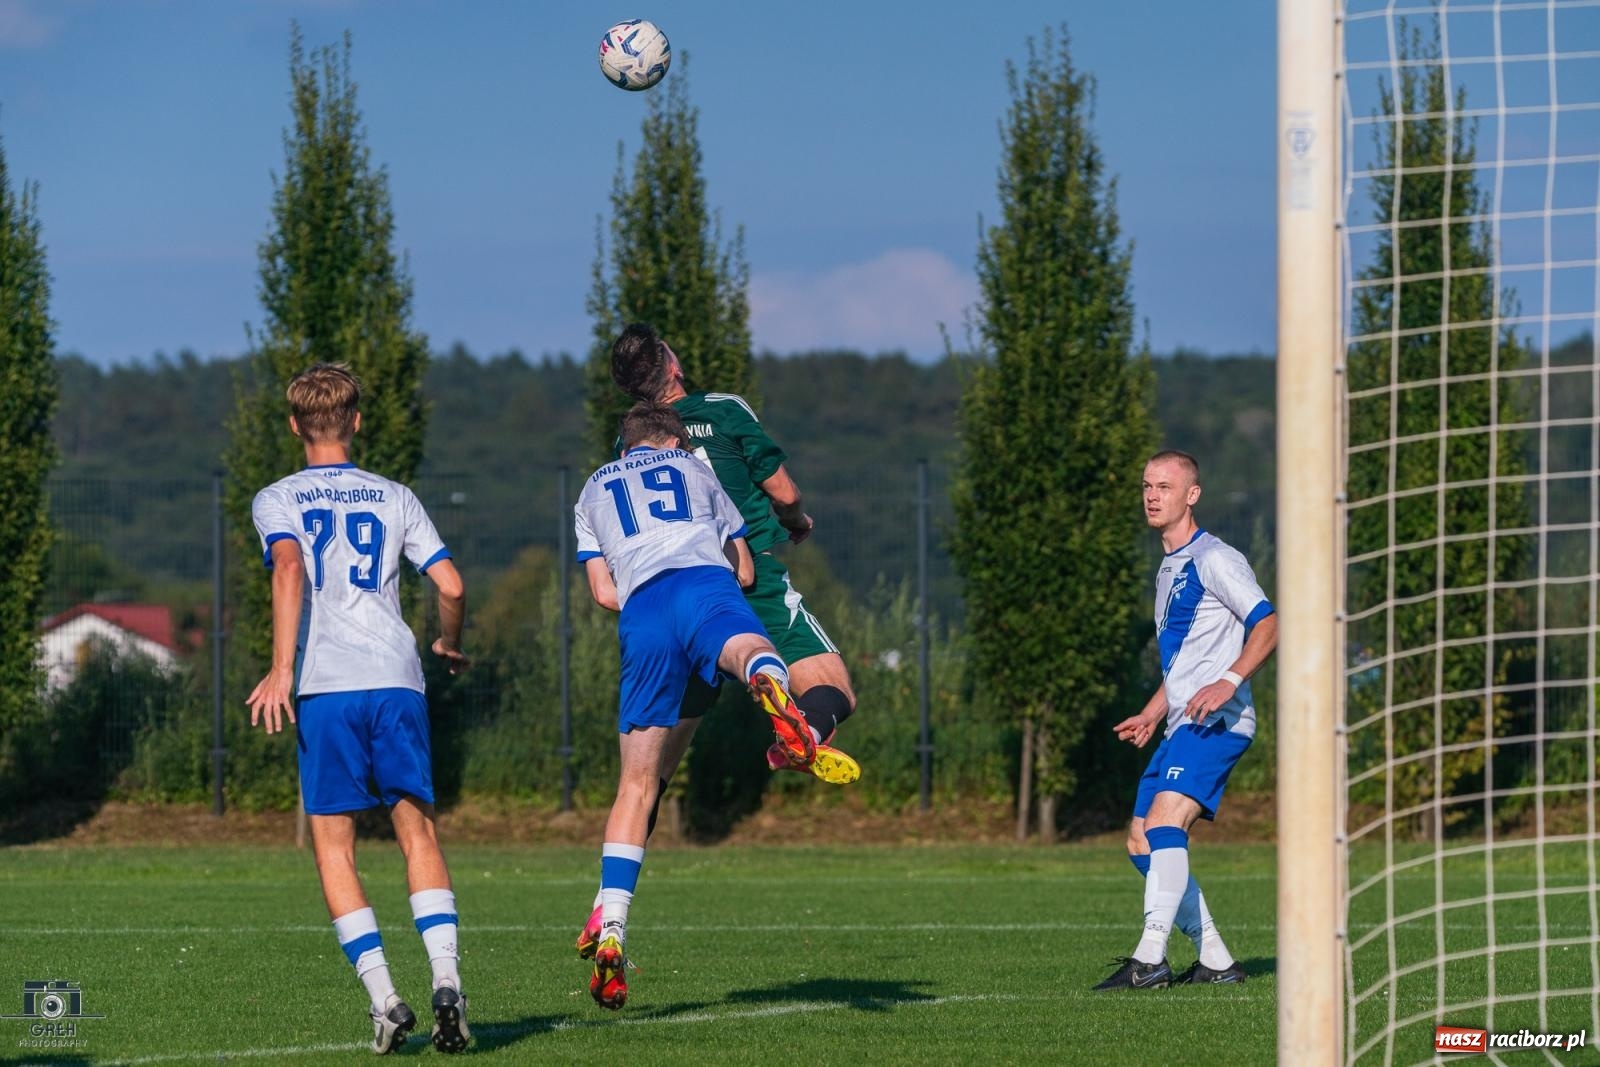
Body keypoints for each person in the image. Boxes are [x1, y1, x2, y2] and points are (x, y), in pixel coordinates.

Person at [572, 402, 860, 1011]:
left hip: (643, 611)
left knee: (638, 784)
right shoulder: (694, 468)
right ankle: (769, 686)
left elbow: (603, 592)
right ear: (672, 442)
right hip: (704, 583)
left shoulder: (593, 488)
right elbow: (744, 566)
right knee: (749, 647)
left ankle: (612, 925)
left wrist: (648, 597)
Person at [246, 363, 472, 1054]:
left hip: (328, 686)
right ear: (357, 421)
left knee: (334, 847)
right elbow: (451, 585)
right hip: (397, 680)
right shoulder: (395, 496)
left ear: (295, 425)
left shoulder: (277, 498)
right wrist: (448, 641)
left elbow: (289, 567)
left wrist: (281, 669)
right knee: (418, 835)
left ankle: (385, 1000)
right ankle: (447, 981)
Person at [608, 322, 859, 782]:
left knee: (649, 776)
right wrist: (795, 520)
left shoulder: (628, 442)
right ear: (673, 366)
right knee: (831, 684)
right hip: (744, 574)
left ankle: (633, 821)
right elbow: (784, 493)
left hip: (669, 591)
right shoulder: (723, 410)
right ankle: (803, 732)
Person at [1096, 449, 1278, 991]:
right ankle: (1216, 960)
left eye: (1165, 487)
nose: (1152, 496)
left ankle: (1148, 960)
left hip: (1217, 721)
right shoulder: (1169, 566)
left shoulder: (1215, 558)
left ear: (1192, 495)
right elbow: (1186, 662)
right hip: (1182, 723)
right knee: (1140, 841)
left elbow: (1268, 624)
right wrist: (1153, 712)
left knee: (1163, 824)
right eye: (1147, 486)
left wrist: (1231, 680)